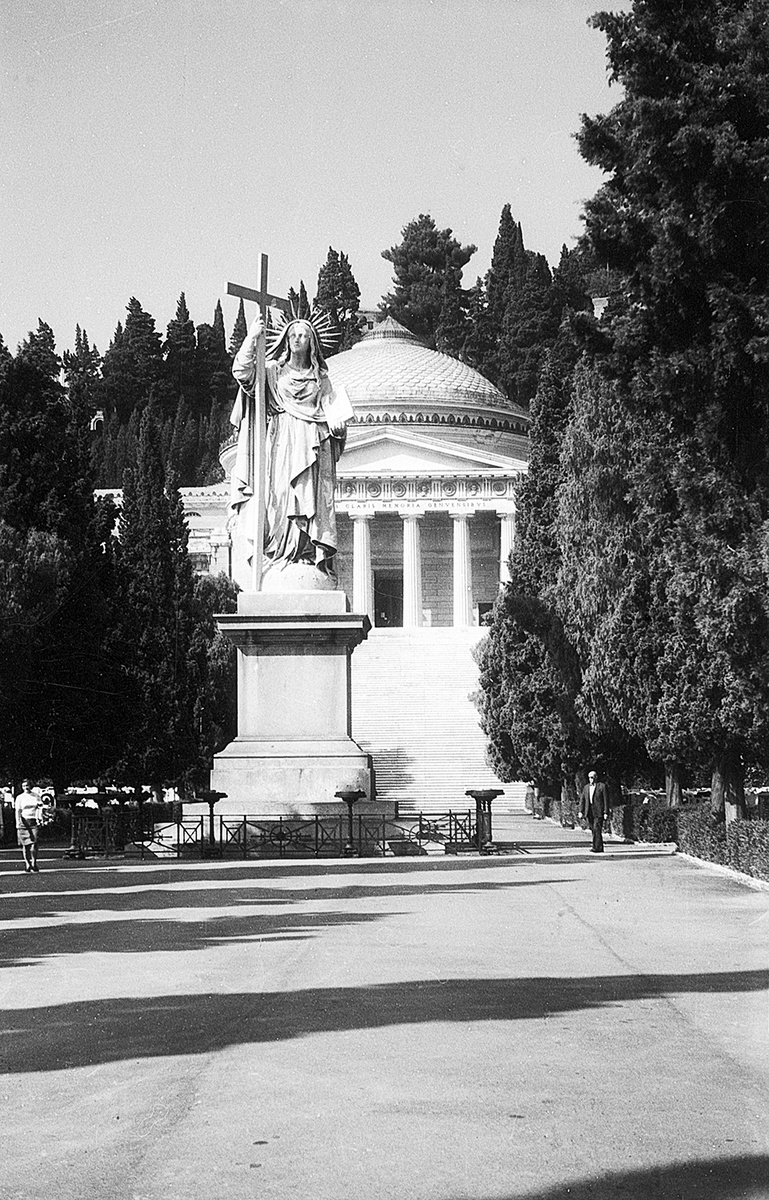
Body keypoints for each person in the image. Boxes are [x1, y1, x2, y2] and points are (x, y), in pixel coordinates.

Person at [230, 311, 351, 582]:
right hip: (281, 444)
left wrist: (339, 432)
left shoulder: (322, 380)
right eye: (294, 334)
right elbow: (242, 373)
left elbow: (334, 417)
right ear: (286, 340)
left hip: (311, 446)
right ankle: (278, 554)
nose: (298, 339)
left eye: (304, 335)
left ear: (312, 343)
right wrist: (252, 337)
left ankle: (305, 554)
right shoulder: (272, 372)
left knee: (309, 501)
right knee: (278, 500)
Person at [579, 769, 611, 854]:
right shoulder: (586, 787)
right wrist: (581, 811)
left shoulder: (602, 786)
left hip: (599, 811)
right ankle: (598, 846)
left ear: (596, 777)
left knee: (597, 828)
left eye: (592, 777)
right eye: (589, 778)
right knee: (593, 829)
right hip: (589, 811)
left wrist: (605, 812)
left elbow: (606, 800)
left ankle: (596, 847)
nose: (591, 779)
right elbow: (582, 800)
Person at [15, 779, 41, 872]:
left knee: (34, 843)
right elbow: (18, 811)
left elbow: (39, 807)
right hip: (23, 821)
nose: (26, 787)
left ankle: (34, 862)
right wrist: (17, 822)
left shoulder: (36, 796)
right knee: (25, 845)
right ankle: (27, 863)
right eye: (24, 786)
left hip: (33, 821)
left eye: (27, 785)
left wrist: (39, 818)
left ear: (31, 786)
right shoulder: (20, 798)